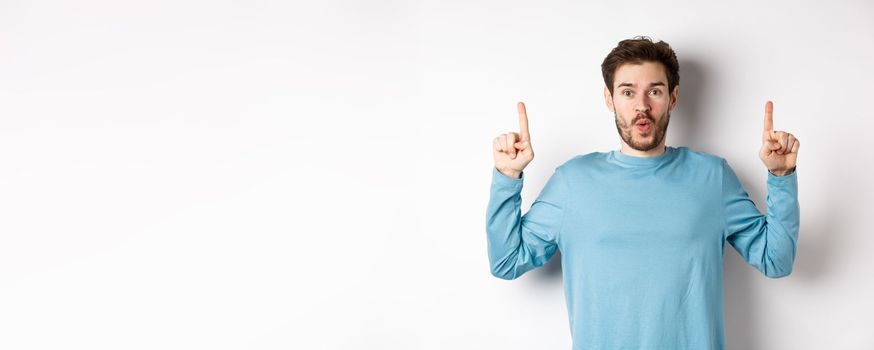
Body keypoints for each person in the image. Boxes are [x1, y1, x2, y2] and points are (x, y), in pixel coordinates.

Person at [485, 36, 800, 350]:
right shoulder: (573, 182)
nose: (642, 106)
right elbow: (507, 261)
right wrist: (507, 176)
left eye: (655, 91)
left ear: (673, 98)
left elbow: (776, 260)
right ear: (610, 99)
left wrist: (781, 176)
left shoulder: (711, 177)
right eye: (627, 92)